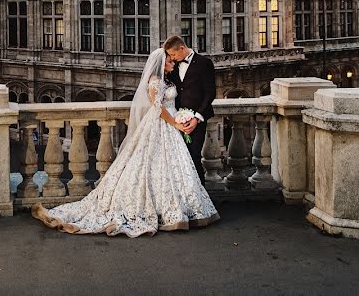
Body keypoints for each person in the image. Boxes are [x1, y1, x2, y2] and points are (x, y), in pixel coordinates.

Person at [31, 48, 219, 237]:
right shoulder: (155, 81)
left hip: (170, 127)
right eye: (170, 61)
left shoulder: (169, 79)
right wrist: (176, 124)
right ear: (161, 63)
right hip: (161, 124)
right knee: (147, 167)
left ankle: (179, 209)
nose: (173, 63)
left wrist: (182, 117)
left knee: (171, 168)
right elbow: (158, 108)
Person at [163, 35, 216, 180]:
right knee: (179, 159)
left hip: (196, 120)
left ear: (181, 48)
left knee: (194, 157)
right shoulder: (172, 66)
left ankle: (200, 194)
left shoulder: (204, 63)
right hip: (176, 120)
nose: (172, 58)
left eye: (173, 54)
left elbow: (210, 93)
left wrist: (197, 118)